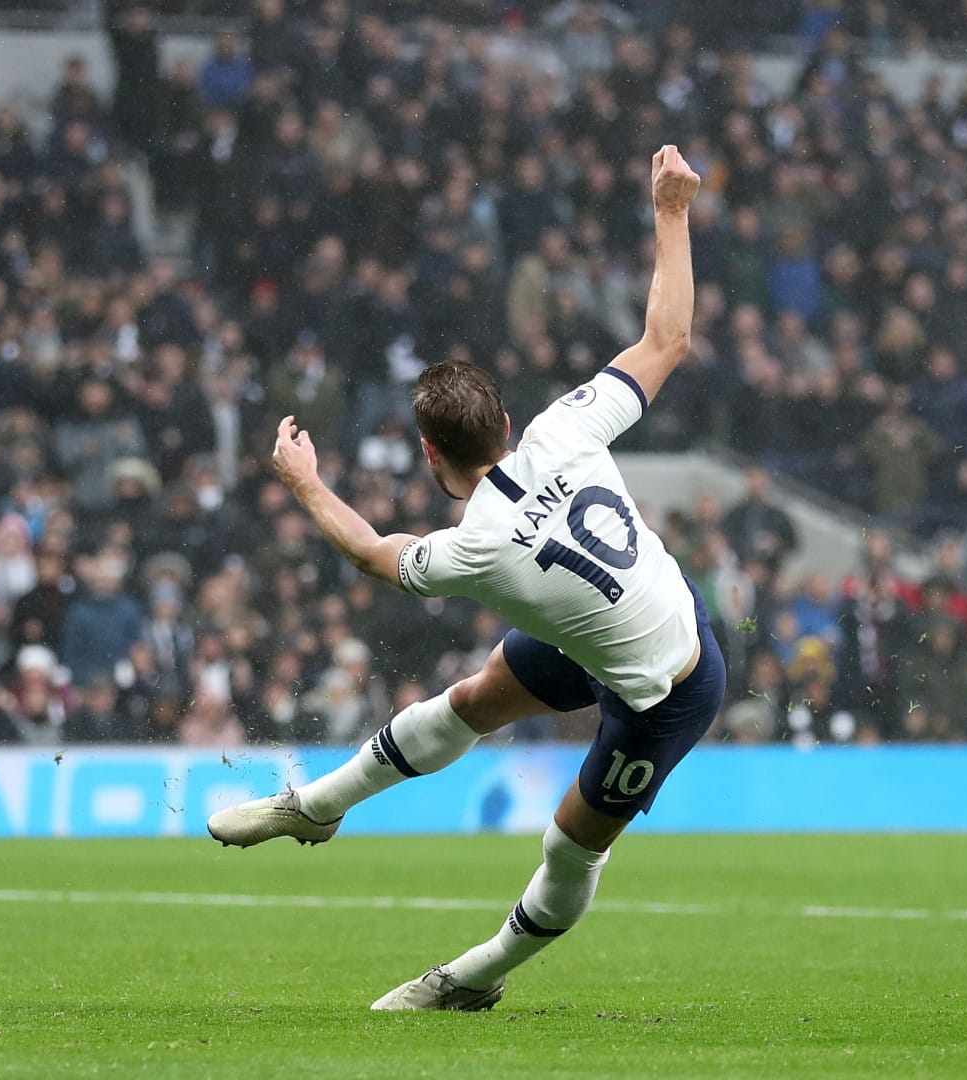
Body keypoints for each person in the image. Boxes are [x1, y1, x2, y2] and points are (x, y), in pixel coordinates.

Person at [209, 146, 719, 1011]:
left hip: (667, 689)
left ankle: (471, 980)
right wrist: (671, 209)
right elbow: (666, 336)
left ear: (428, 452)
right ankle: (315, 806)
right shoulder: (569, 426)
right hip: (631, 624)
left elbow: (372, 551)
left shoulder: (472, 547)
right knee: (473, 699)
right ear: (510, 421)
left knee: (570, 848)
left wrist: (305, 484)